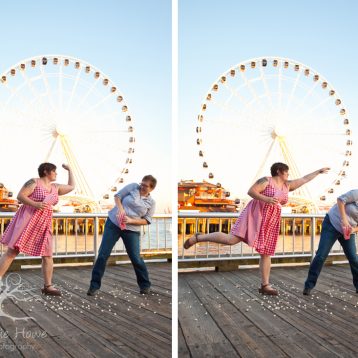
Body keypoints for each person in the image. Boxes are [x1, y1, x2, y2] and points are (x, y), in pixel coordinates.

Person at [184, 163, 329, 295]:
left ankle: (265, 285)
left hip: (270, 220)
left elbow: (304, 179)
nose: (288, 174)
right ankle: (198, 237)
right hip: (254, 215)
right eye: (286, 172)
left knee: (266, 252)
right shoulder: (266, 181)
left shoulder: (287, 186)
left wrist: (318, 171)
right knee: (231, 240)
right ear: (279, 171)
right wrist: (267, 199)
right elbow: (251, 191)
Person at [0, 163, 75, 296]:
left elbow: (72, 186)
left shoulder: (55, 187)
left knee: (47, 254)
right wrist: (35, 204)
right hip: (27, 220)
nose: (56, 174)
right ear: (46, 172)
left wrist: (70, 170)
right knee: (12, 252)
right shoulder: (34, 182)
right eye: (54, 171)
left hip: (44, 222)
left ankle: (48, 286)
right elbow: (20, 196)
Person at [87, 175, 157, 296]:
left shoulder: (151, 202)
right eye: (142, 183)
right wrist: (120, 209)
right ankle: (94, 286)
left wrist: (131, 221)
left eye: (145, 186)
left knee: (136, 258)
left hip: (131, 229)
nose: (142, 186)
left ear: (151, 188)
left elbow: (147, 220)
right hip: (114, 223)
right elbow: (117, 196)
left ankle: (145, 285)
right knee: (103, 254)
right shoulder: (133, 187)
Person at [303, 190, 358, 295]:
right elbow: (340, 200)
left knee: (354, 258)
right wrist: (344, 220)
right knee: (321, 255)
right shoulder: (357, 193)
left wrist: (353, 230)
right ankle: (308, 285)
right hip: (332, 223)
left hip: (347, 231)